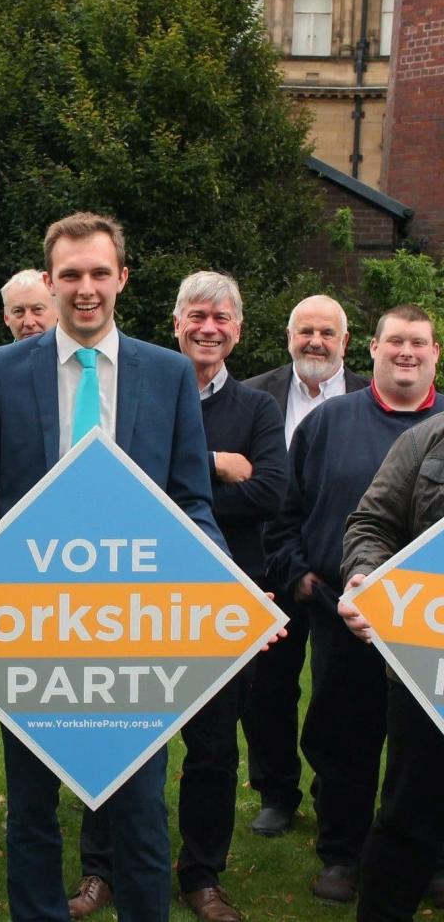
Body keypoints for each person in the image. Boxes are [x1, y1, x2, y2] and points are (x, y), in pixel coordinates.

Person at [0, 212, 225, 922]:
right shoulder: (6, 370)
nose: (85, 287)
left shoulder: (167, 373)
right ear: (49, 281)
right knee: (31, 806)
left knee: (138, 808)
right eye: (70, 274)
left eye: (99, 272)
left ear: (122, 277)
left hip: (135, 630)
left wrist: (225, 588)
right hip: (31, 628)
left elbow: (192, 500)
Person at [265, 304, 443, 904]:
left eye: (419, 342)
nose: (407, 353)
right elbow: (290, 516)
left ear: (435, 352)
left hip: (431, 628)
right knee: (345, 733)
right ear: (372, 348)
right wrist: (308, 583)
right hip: (349, 615)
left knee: (427, 747)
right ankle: (343, 853)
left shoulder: (441, 423)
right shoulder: (328, 422)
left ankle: (429, 857)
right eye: (396, 341)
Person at [170, 272, 287, 920]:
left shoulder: (259, 408)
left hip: (227, 600)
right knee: (126, 735)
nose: (208, 327)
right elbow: (127, 481)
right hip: (145, 595)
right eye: (197, 315)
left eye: (222, 317)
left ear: (238, 329)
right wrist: (214, 460)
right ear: (176, 320)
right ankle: (104, 865)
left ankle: (202, 873)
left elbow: (268, 493)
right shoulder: (148, 391)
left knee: (214, 747)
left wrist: (176, 481)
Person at [241, 294, 369, 838]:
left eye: (327, 332)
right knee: (267, 689)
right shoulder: (254, 396)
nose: (315, 341)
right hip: (273, 568)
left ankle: (332, 791)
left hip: (346, 575)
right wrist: (290, 566)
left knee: (339, 694)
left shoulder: (372, 395)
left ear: (346, 341)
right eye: (304, 331)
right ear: (288, 336)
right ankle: (276, 792)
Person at [340, 412, 444, 922]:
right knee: (408, 816)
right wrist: (366, 575)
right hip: (427, 666)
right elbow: (372, 523)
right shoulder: (429, 437)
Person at [1, 268, 57, 341]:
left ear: (58, 312)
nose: (29, 323)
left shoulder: (74, 350)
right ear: (6, 318)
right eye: (18, 311)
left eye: (38, 309)